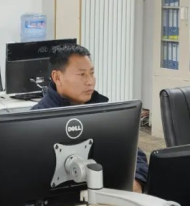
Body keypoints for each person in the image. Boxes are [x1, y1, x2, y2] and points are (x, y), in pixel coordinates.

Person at [32, 44, 149, 193]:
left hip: (106, 197)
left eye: (92, 73)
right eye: (82, 74)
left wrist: (137, 180)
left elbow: (134, 154)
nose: (90, 81)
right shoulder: (35, 121)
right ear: (57, 77)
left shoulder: (105, 113)